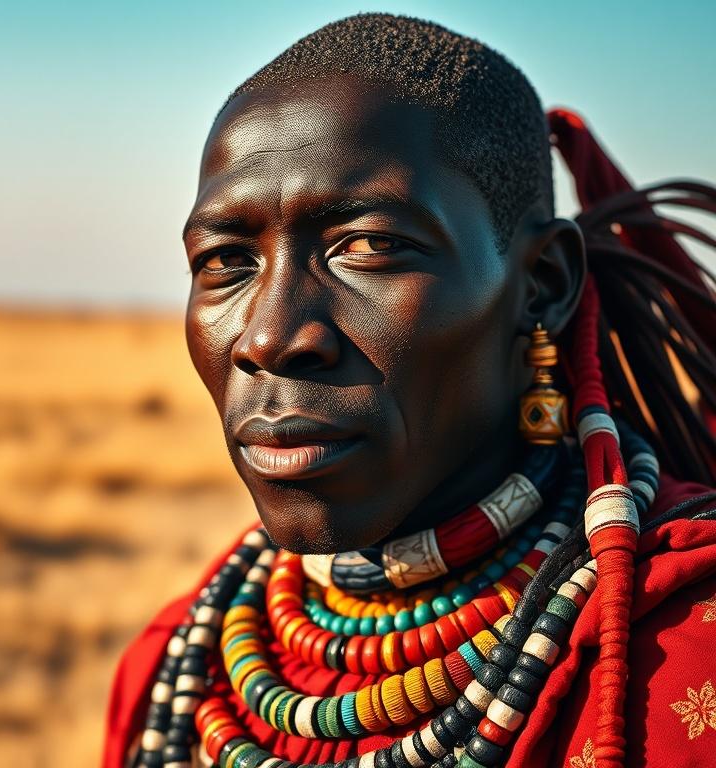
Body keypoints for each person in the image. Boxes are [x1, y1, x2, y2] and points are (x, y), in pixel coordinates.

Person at [104, 13, 716, 768]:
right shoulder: (173, 667)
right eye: (227, 260)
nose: (268, 336)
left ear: (542, 284)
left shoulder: (682, 654)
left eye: (369, 246)